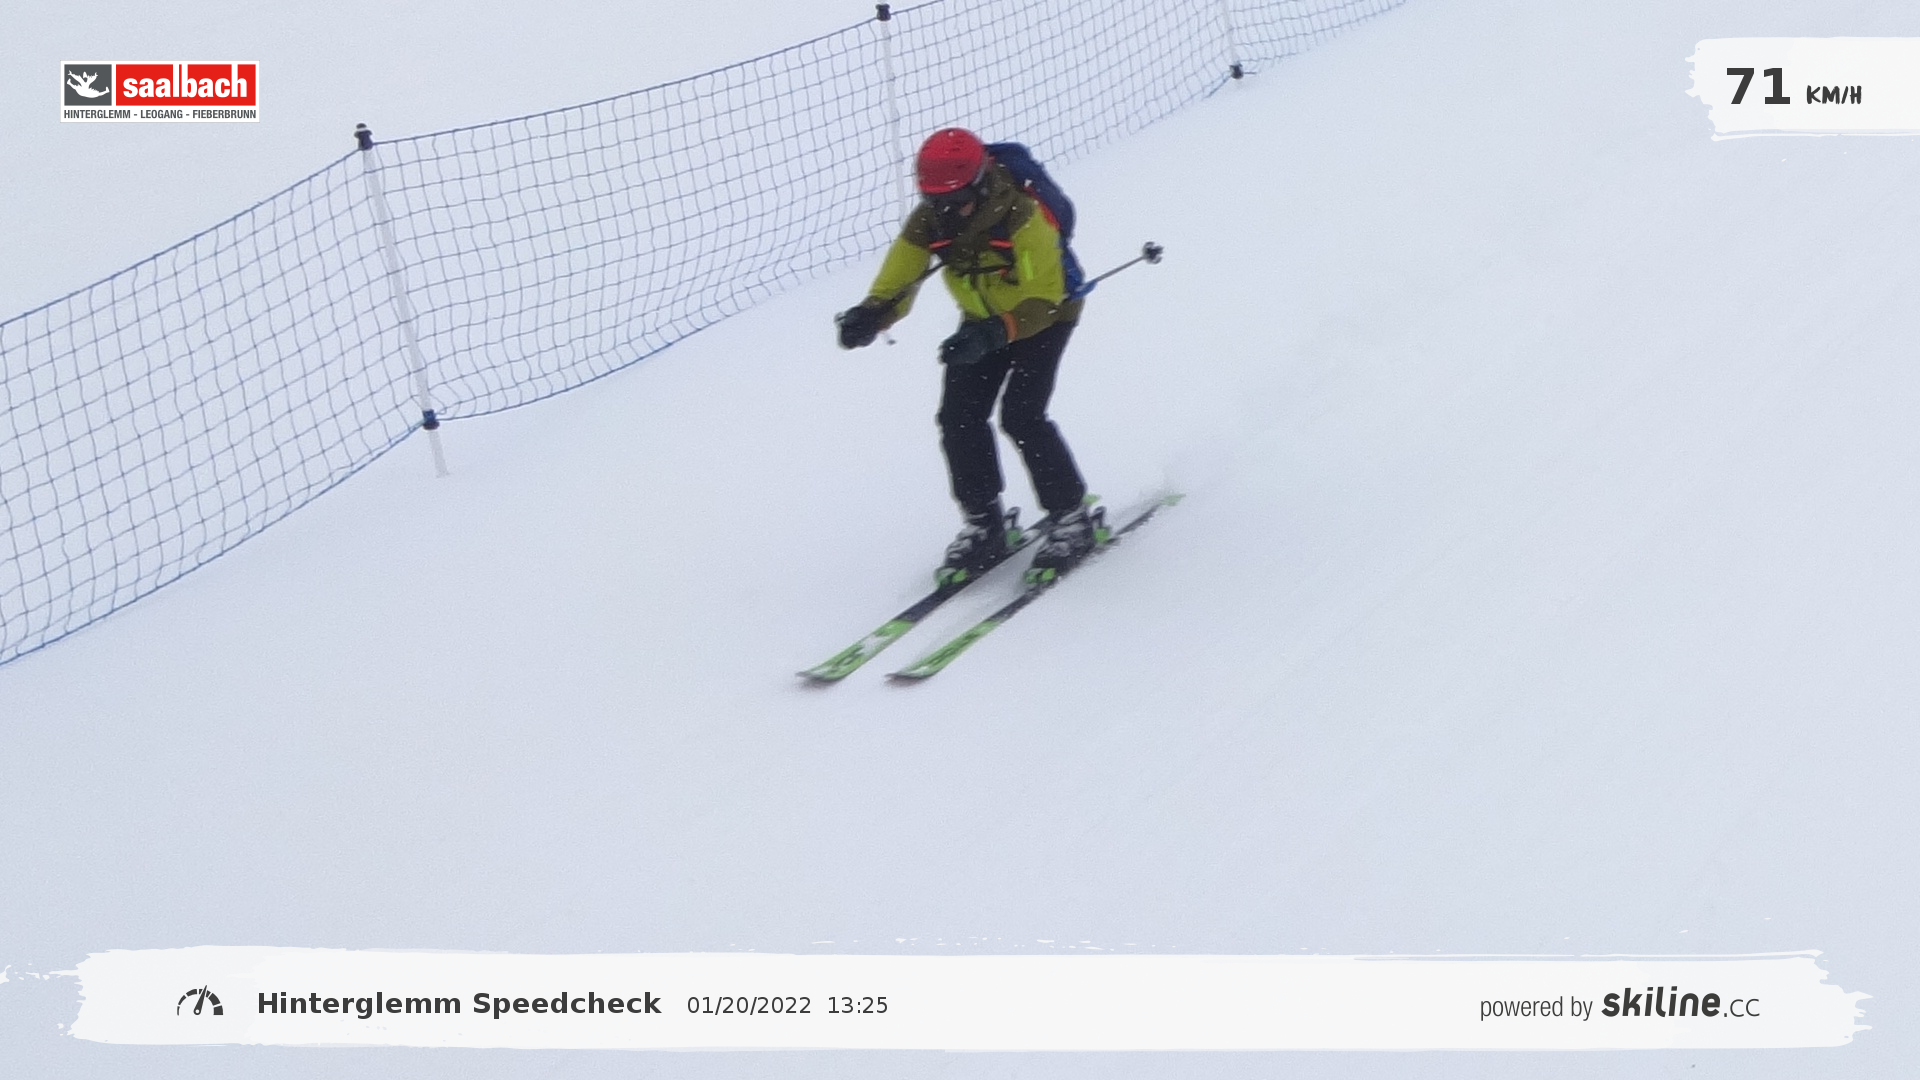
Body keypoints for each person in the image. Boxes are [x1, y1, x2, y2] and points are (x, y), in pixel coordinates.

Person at [836, 128, 1096, 586]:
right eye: (934, 200)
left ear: (979, 184)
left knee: (1022, 416)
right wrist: (871, 315)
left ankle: (1071, 516)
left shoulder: (1021, 214)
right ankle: (984, 522)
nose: (945, 211)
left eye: (955, 200)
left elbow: (1044, 296)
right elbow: (899, 278)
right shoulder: (933, 219)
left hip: (1046, 317)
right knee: (958, 417)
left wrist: (996, 332)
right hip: (983, 321)